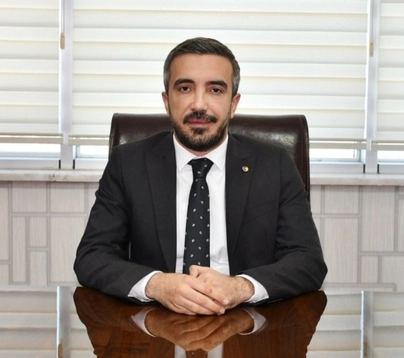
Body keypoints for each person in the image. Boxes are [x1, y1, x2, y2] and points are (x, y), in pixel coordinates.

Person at [74, 37, 327, 316]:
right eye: (185, 88)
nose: (199, 104)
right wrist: (157, 285)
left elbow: (308, 261)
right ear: (167, 101)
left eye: (215, 90)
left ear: (233, 103)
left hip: (248, 320)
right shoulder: (128, 163)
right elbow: (92, 257)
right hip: (155, 320)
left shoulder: (275, 164)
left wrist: (240, 287)